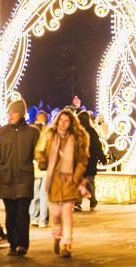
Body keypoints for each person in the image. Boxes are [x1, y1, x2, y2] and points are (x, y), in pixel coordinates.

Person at [35, 110, 89, 258]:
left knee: (67, 212)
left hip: (70, 180)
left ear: (71, 123)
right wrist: (42, 162)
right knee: (56, 214)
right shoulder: (50, 136)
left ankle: (66, 243)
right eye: (61, 120)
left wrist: (76, 176)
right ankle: (58, 236)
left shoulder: (77, 138)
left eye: (66, 120)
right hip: (54, 179)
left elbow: (82, 159)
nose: (63, 123)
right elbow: (39, 151)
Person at [0, 98, 41, 256]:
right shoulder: (2, 131)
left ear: (22, 114)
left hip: (24, 178)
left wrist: (44, 161)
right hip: (7, 179)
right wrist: (1, 169)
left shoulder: (32, 132)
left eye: (14, 112)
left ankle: (22, 245)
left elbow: (39, 152)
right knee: (11, 215)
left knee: (22, 214)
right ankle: (13, 244)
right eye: (10, 112)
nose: (11, 115)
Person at [74, 111, 106, 211]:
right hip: (90, 161)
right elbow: (97, 146)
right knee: (90, 182)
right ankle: (92, 200)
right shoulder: (92, 132)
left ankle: (77, 202)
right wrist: (103, 159)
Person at [30, 111, 49, 227]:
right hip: (44, 165)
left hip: (35, 165)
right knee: (44, 194)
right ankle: (42, 219)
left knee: (36, 193)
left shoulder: (30, 130)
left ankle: (34, 217)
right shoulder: (48, 132)